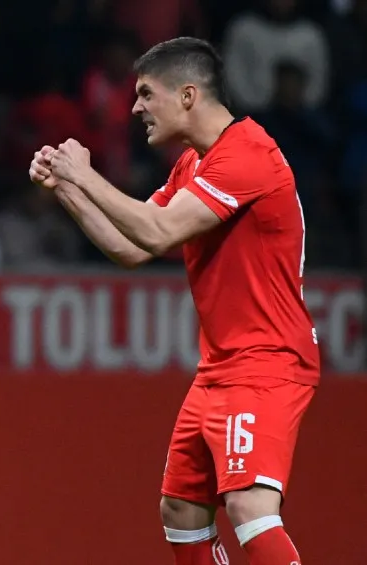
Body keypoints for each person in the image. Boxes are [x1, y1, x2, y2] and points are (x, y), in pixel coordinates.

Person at [30, 37, 319, 565]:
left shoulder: (247, 155)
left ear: (187, 95)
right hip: (219, 368)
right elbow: (131, 247)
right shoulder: (196, 165)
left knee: (250, 506)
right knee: (181, 510)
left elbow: (159, 232)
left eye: (145, 93)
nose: (135, 106)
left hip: (266, 363)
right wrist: (67, 188)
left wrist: (83, 173)